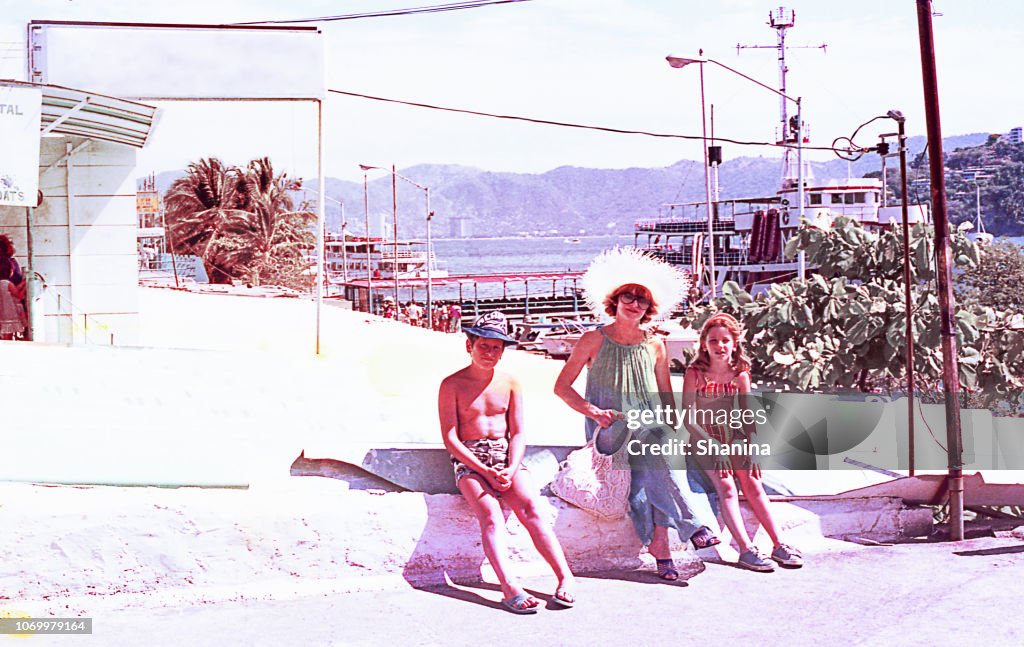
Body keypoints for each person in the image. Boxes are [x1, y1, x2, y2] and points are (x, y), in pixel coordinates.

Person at [554, 247, 720, 581]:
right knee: (656, 453)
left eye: (642, 300)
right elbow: (562, 388)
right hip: (610, 427)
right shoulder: (593, 339)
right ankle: (693, 525)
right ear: (614, 300)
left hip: (650, 428)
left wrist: (677, 431)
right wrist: (594, 412)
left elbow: (664, 395)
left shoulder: (655, 344)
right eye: (628, 296)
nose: (634, 303)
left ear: (649, 308)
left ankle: (661, 547)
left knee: (653, 463)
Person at [438, 311, 576, 614]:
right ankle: (508, 586)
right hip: (470, 460)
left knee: (531, 509)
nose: (490, 353)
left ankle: (565, 577)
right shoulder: (452, 384)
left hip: (505, 457)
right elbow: (450, 438)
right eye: (483, 346)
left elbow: (518, 433)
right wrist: (483, 469)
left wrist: (511, 467)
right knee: (490, 515)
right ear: (469, 346)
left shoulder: (510, 382)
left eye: (496, 348)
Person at [682, 312, 802, 571]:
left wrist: (753, 448)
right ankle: (746, 550)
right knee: (726, 486)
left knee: (752, 481)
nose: (719, 346)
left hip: (733, 434)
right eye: (713, 340)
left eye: (725, 340)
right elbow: (688, 417)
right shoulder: (696, 373)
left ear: (734, 343)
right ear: (704, 343)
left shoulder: (740, 374)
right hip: (703, 437)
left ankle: (779, 544)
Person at [0, 234, 27, 340]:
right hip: (10, 309)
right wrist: (25, 285)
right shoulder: (9, 263)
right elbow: (18, 294)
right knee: (9, 333)